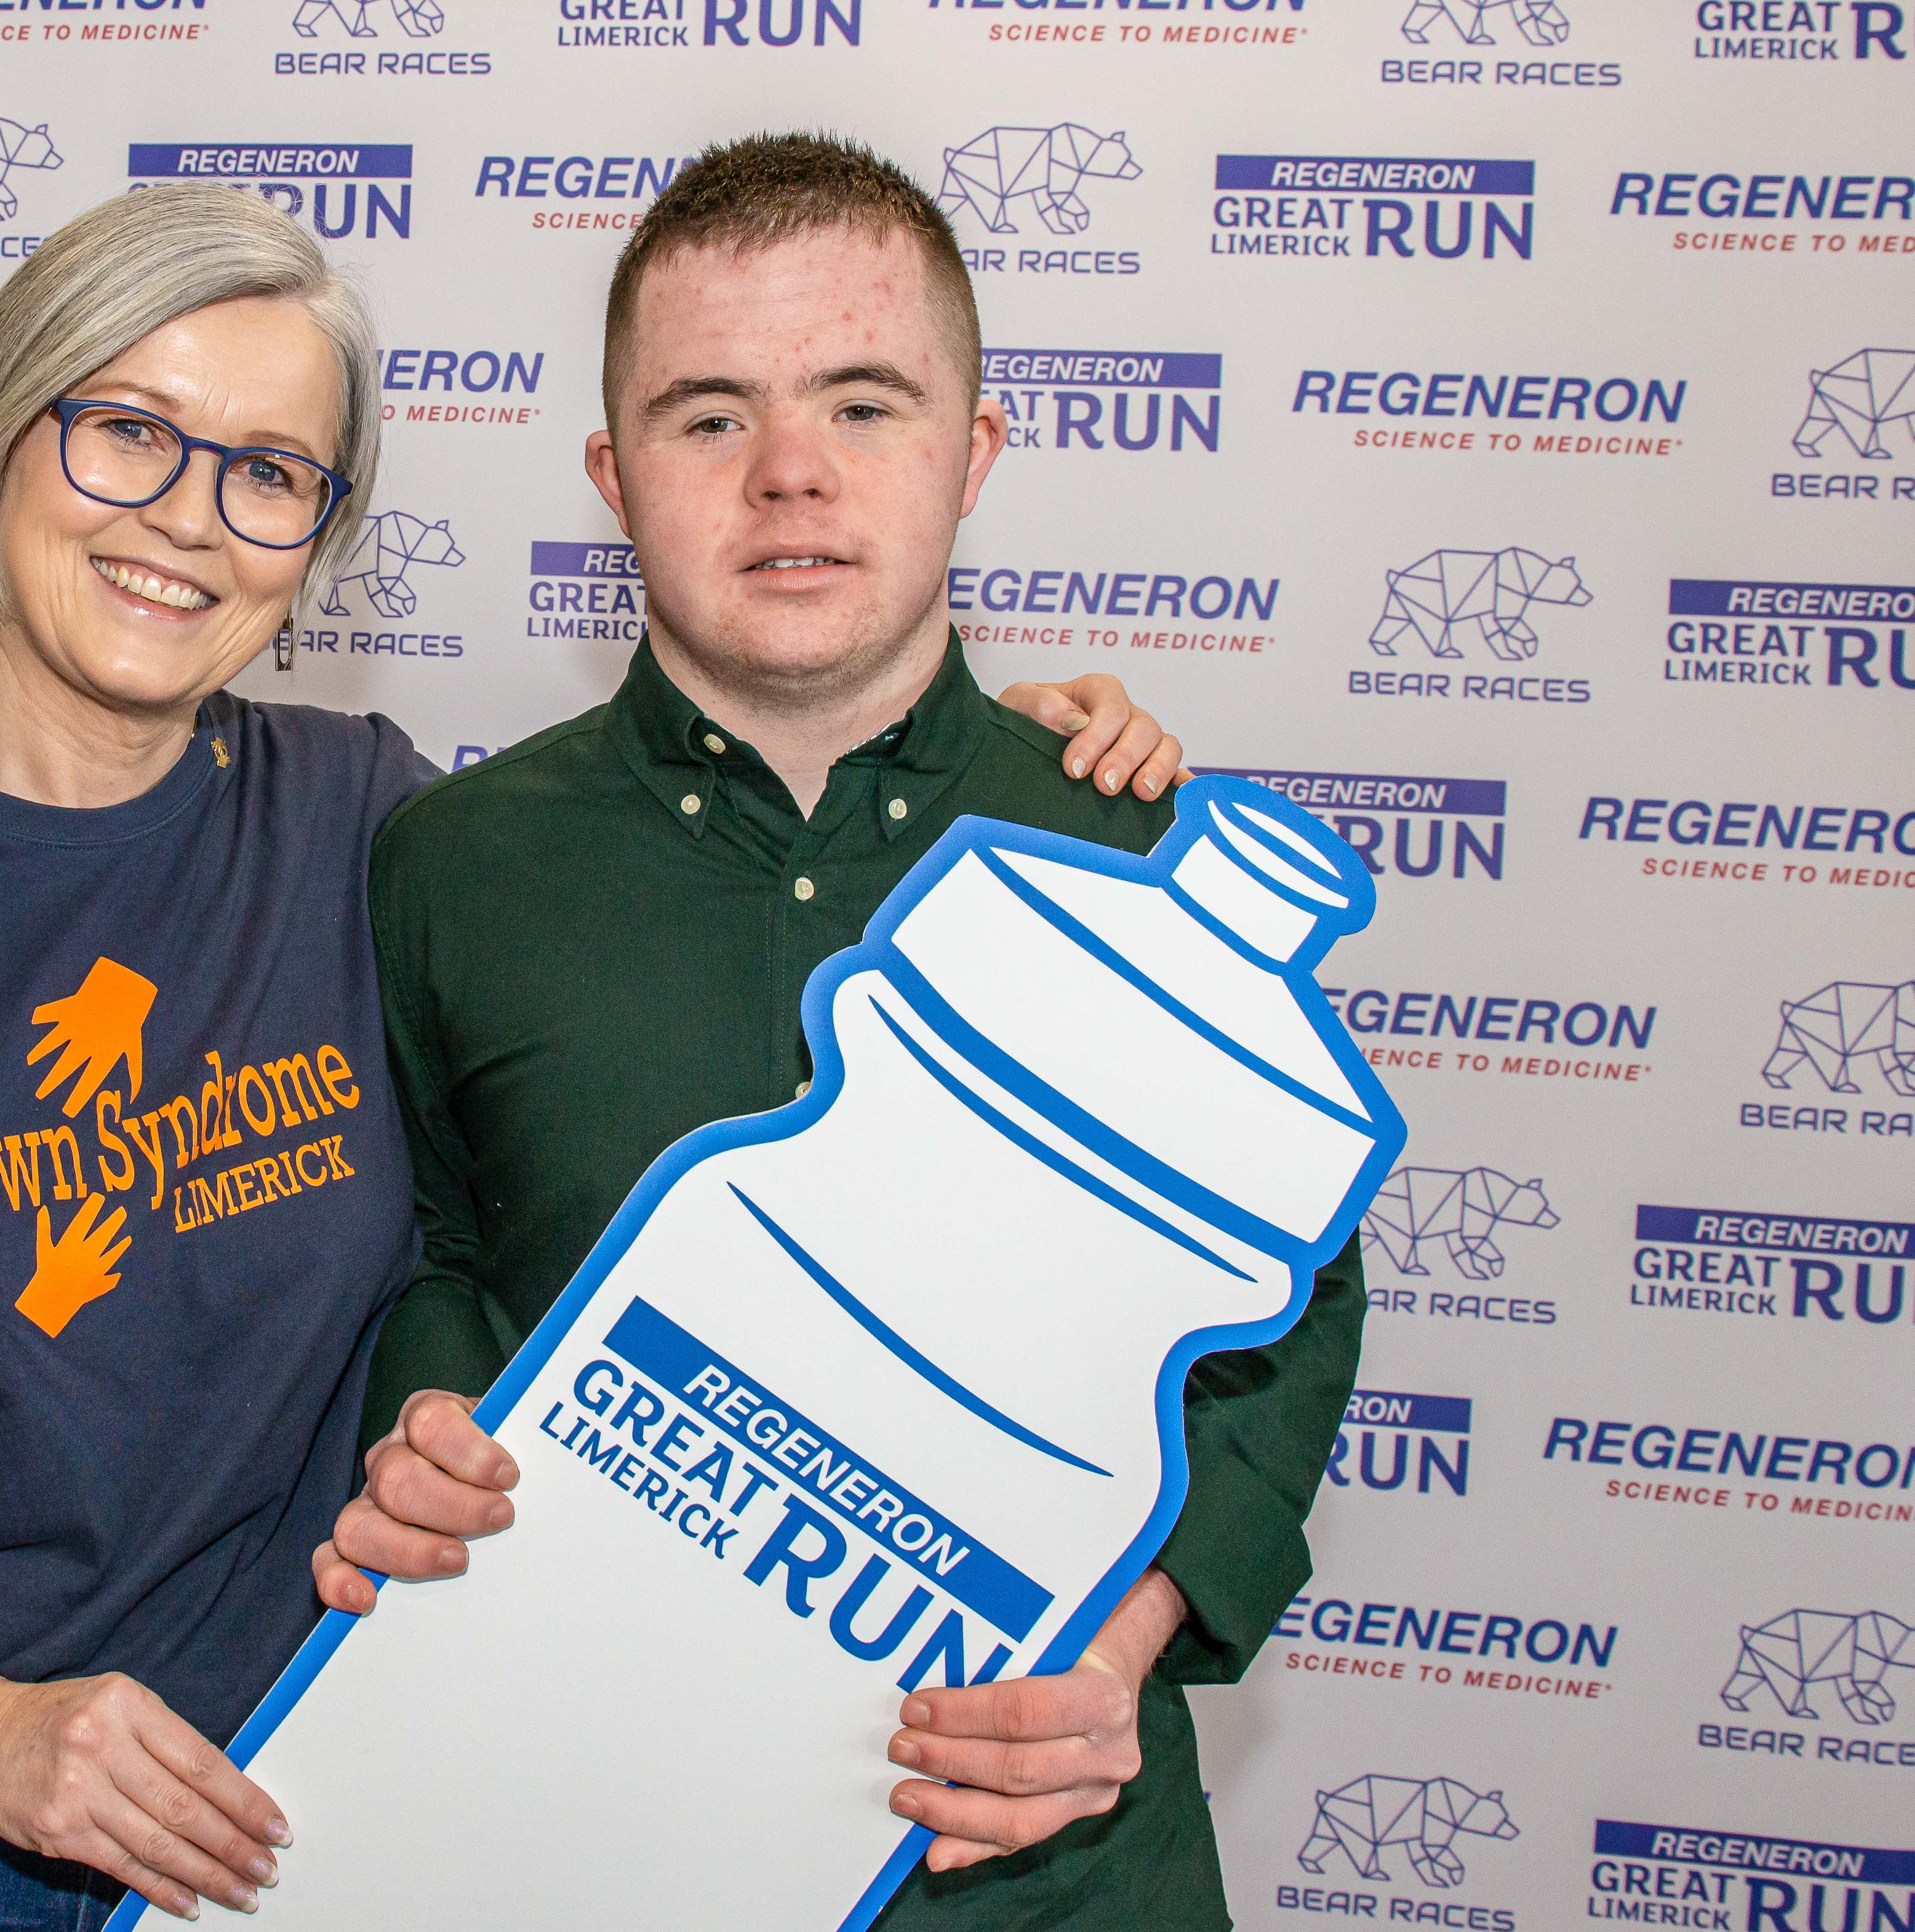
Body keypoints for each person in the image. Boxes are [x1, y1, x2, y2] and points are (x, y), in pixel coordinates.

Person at [0, 178, 1181, 1929]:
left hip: (292, 1803)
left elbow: (653, 1004)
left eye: (271, 472)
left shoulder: (365, 827)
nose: (189, 519)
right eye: (127, 432)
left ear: (315, 538)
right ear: (1, 434)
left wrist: (991, 763)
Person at [317, 134, 1357, 1932]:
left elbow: (1290, 1309)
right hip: (586, 1826)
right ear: (613, 475)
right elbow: (429, 1245)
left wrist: (1122, 1645)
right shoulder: (449, 860)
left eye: (864, 405)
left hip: (1044, 1870)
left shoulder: (1135, 854)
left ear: (976, 453)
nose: (789, 472)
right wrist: (423, 1412)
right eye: (709, 415)